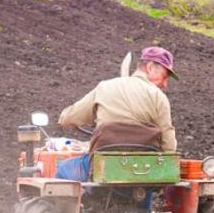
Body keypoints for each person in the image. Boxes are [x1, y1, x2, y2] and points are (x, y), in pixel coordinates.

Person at [54, 46, 178, 181]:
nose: (165, 84)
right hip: (142, 171)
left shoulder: (105, 87)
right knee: (143, 183)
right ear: (149, 67)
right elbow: (168, 143)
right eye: (164, 77)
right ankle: (142, 202)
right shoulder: (158, 97)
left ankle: (81, 202)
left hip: (102, 167)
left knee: (64, 168)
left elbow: (68, 118)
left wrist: (66, 118)